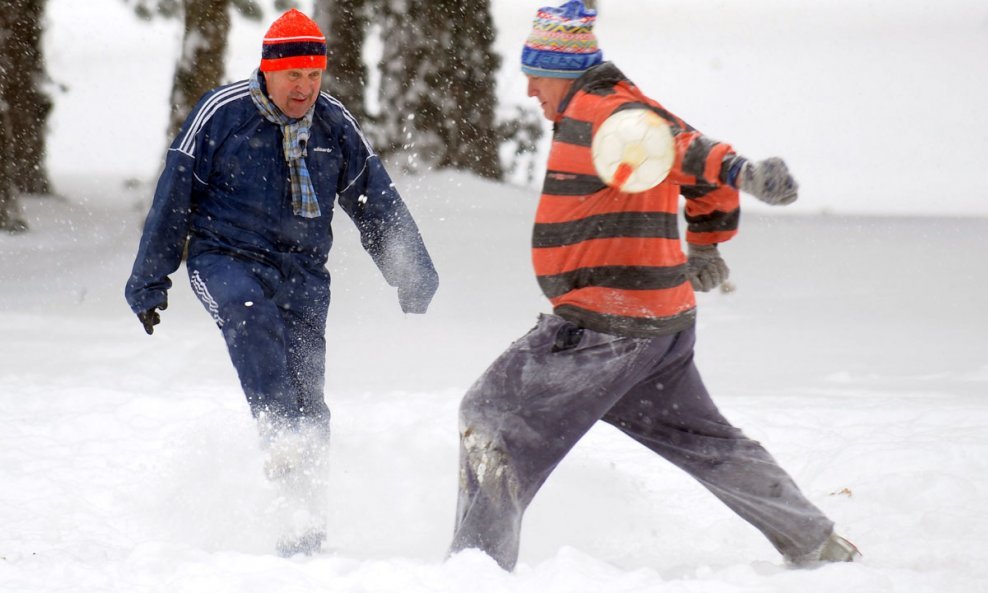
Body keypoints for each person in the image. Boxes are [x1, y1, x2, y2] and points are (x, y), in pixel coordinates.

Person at [448, 0, 858, 571]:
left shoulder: (605, 112)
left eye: (535, 76)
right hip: (657, 329)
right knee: (706, 441)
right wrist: (708, 241)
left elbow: (696, 152)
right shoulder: (628, 112)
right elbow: (690, 166)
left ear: (561, 72)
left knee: (491, 412)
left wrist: (743, 172)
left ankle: (475, 570)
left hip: (604, 330)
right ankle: (816, 542)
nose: (530, 92)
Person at [125, 9, 438, 556]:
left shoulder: (333, 124)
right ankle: (278, 436)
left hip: (303, 275)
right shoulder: (221, 115)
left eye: (314, 75)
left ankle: (304, 527)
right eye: (294, 75)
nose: (305, 88)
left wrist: (412, 273)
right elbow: (173, 197)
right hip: (224, 257)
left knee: (309, 400)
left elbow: (375, 200)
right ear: (268, 70)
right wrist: (150, 279)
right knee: (250, 314)